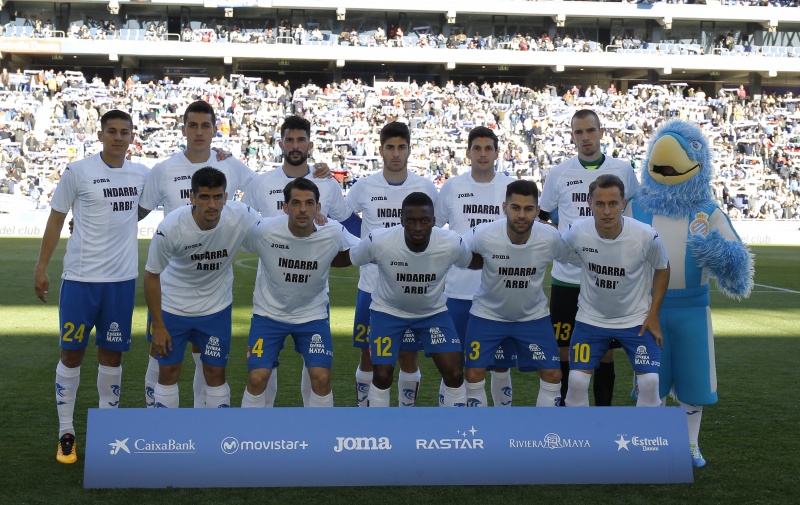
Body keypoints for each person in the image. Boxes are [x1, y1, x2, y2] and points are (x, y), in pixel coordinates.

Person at [34, 110, 149, 464]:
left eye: (124, 132)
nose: (118, 137)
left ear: (132, 137)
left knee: (112, 355)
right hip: (81, 281)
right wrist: (41, 267)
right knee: (72, 353)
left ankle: (107, 432)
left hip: (120, 283)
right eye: (111, 131)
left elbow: (141, 209)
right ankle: (65, 432)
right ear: (100, 135)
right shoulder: (78, 172)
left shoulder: (143, 175)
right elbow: (56, 218)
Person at [138, 100, 256, 409]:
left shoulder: (230, 165)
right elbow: (137, 211)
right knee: (162, 358)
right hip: (173, 284)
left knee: (209, 365)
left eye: (206, 126)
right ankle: (159, 423)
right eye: (193, 125)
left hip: (214, 293)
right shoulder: (163, 169)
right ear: (184, 129)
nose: (200, 132)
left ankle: (206, 433)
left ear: (216, 130)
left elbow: (266, 190)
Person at [241, 115, 351, 406]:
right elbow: (245, 225)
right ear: (280, 143)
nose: (295, 145)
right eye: (289, 139)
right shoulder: (261, 183)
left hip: (313, 298)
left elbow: (342, 227)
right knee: (261, 374)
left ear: (310, 144)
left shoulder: (326, 183)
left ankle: (317, 437)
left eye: (301, 139)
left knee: (318, 372)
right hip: (271, 293)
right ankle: (252, 436)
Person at [538, 109, 640, 406]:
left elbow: (633, 213)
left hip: (606, 277)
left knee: (604, 352)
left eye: (590, 131)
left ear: (601, 132)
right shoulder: (559, 173)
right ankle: (571, 416)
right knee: (564, 350)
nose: (585, 138)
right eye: (579, 132)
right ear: (572, 136)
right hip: (568, 277)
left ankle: (603, 417)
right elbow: (543, 217)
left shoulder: (623, 170)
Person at [349, 192, 474, 407]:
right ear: (402, 221)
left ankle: (456, 431)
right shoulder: (380, 240)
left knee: (454, 373)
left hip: (433, 314)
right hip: (387, 312)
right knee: (382, 374)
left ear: (434, 221)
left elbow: (469, 261)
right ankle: (377, 432)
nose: (418, 227)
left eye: (424, 221)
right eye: (411, 221)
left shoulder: (451, 242)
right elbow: (353, 257)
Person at [345, 122, 438, 407]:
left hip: (409, 289)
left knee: (408, 355)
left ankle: (405, 414)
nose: (395, 153)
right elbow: (345, 218)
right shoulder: (364, 186)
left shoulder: (424, 187)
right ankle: (366, 410)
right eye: (390, 147)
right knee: (368, 353)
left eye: (401, 147)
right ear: (381, 149)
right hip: (371, 286)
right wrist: (364, 246)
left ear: (409, 150)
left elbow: (434, 226)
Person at [562, 174, 669, 408]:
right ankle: (578, 439)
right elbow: (560, 253)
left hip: (635, 319)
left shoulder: (644, 235)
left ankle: (647, 440)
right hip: (591, 319)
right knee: (577, 380)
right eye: (600, 204)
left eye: (613, 203)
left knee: (650, 382)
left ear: (623, 204)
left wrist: (653, 315)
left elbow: (662, 267)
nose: (607, 211)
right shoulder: (577, 232)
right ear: (589, 203)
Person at [464, 180, 574, 407]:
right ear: (504, 208)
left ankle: (545, 436)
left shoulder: (549, 237)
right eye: (515, 208)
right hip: (488, 315)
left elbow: (574, 258)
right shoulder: (484, 234)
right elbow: (456, 252)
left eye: (528, 209)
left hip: (532, 317)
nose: (522, 215)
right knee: (474, 373)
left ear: (537, 210)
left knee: (553, 375)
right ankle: (481, 434)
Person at [434, 126, 517, 406]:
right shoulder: (452, 187)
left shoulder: (511, 187)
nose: (483, 154)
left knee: (501, 365)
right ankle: (454, 420)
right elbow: (433, 230)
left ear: (496, 152)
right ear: (468, 152)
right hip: (458, 291)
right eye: (477, 149)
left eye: (488, 149)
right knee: (454, 362)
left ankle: (502, 425)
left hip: (500, 292)